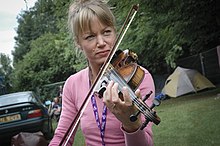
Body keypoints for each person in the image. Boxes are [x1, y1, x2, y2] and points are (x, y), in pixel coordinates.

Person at [49, 0, 155, 145]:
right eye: (90, 36)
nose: (101, 42)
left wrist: (131, 124)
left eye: (106, 32)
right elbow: (62, 137)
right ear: (78, 43)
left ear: (115, 33)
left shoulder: (139, 77)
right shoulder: (73, 84)